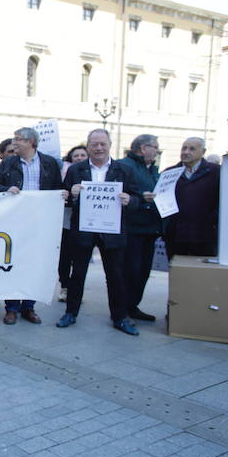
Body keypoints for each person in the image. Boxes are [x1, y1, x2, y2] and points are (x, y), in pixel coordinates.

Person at [57, 129, 140, 336]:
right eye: (94, 144)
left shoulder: (124, 170)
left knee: (115, 276)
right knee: (77, 274)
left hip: (112, 232)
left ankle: (119, 316)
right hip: (84, 229)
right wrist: (71, 194)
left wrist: (130, 201)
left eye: (102, 144)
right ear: (88, 146)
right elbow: (65, 195)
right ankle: (71, 312)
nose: (99, 148)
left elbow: (136, 198)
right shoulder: (77, 169)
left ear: (110, 145)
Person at [0, 127, 64, 325]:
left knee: (35, 264)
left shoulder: (49, 163)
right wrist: (7, 188)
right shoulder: (8, 163)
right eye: (14, 139)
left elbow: (58, 188)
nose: (14, 143)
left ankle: (29, 307)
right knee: (13, 263)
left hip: (41, 222)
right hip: (15, 221)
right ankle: (12, 308)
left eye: (18, 139)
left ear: (31, 142)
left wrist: (62, 195)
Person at [117, 135, 162, 322]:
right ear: (144, 148)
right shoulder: (124, 165)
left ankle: (133, 305)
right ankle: (123, 307)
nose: (158, 151)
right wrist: (141, 198)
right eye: (155, 147)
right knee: (131, 270)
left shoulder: (152, 168)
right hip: (132, 228)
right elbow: (121, 193)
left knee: (143, 271)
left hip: (150, 229)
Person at [163, 137, 220, 259]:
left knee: (203, 275)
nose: (186, 152)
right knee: (178, 274)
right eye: (184, 148)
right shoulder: (169, 173)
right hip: (176, 236)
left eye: (192, 149)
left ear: (203, 152)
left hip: (205, 236)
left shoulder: (216, 172)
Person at [57, 145, 89, 302]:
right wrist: (69, 194)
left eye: (83, 155)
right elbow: (60, 191)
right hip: (66, 222)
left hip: (86, 223)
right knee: (65, 256)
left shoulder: (91, 173)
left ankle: (75, 290)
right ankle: (64, 286)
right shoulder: (66, 171)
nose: (79, 158)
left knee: (79, 259)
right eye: (76, 155)